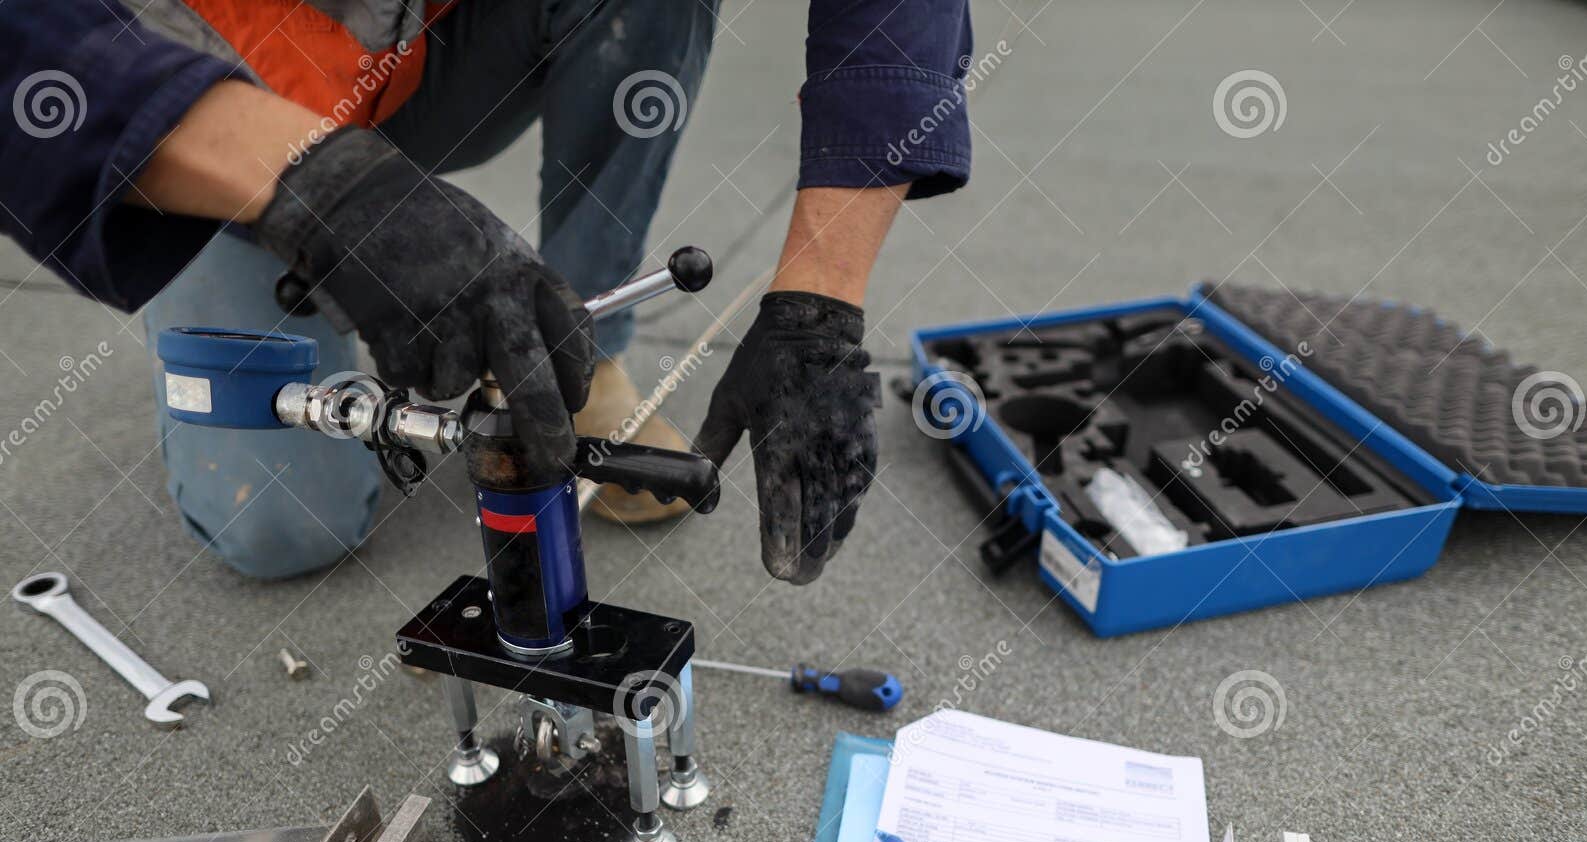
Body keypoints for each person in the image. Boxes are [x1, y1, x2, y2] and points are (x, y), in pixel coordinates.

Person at [0, 0, 972, 585]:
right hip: (180, 114)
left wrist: (819, 302)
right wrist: (318, 188)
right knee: (283, 530)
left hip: (406, 65)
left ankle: (575, 350)